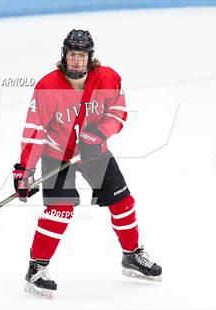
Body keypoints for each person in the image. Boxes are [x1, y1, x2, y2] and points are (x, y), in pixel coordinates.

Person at [12, 29, 162, 298]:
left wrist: (101, 133)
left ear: (90, 57)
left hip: (94, 152)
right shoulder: (47, 87)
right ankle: (36, 268)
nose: (77, 61)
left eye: (82, 56)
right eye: (72, 55)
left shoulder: (107, 78)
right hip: (57, 154)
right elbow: (34, 130)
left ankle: (131, 255)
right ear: (64, 56)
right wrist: (25, 170)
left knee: (123, 202)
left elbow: (118, 110)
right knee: (61, 210)